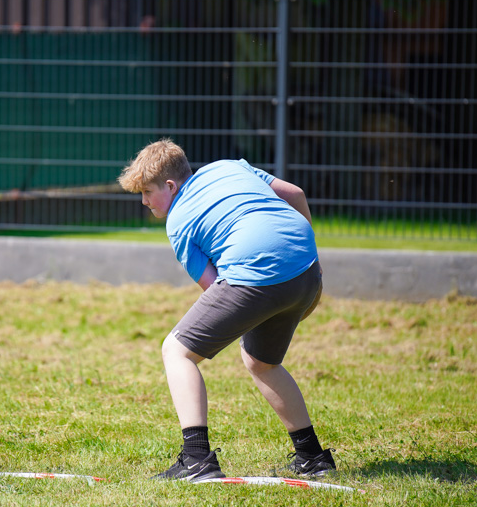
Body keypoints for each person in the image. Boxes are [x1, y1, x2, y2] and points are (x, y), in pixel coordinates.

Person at [117, 138, 334, 481]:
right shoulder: (230, 166)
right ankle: (312, 457)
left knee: (177, 351)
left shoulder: (178, 223)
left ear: (170, 185)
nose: (144, 201)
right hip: (307, 271)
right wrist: (309, 259)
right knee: (261, 362)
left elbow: (215, 288)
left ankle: (196, 459)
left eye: (147, 192)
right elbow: (295, 194)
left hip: (257, 277)